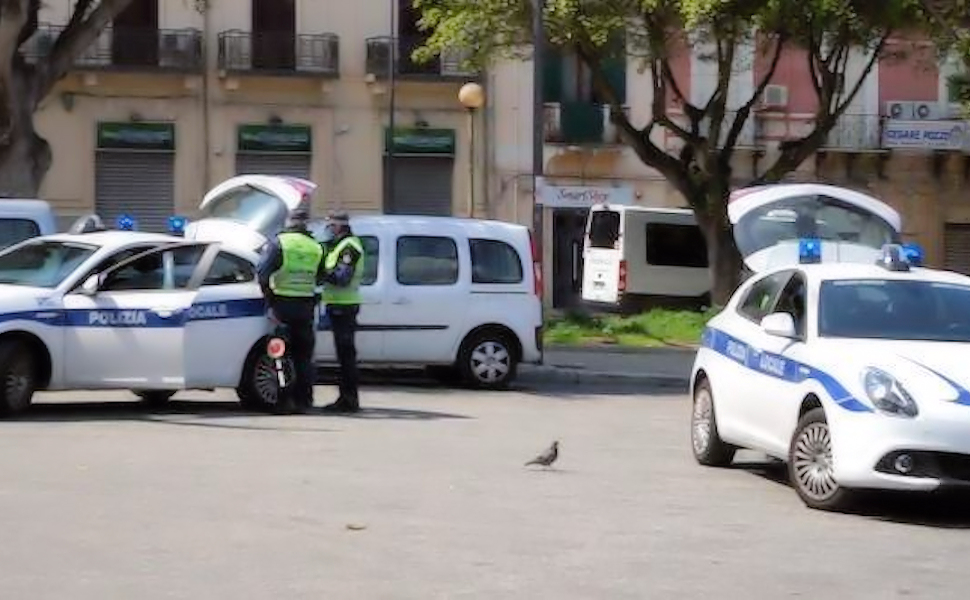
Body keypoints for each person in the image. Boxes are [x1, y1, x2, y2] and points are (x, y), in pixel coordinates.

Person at [256, 202, 327, 414]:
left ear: (289, 222)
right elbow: (321, 277)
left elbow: (262, 272)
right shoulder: (316, 247)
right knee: (304, 357)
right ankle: (304, 402)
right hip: (305, 307)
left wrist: (269, 297)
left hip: (282, 306)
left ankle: (284, 402)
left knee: (280, 355)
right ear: (306, 224)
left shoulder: (280, 243)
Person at [318, 212, 365, 414]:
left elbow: (343, 278)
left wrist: (322, 274)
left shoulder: (349, 248)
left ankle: (349, 400)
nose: (328, 228)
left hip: (344, 307)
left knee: (346, 356)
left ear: (340, 226)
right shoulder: (338, 246)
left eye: (331, 225)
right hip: (339, 306)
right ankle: (346, 397)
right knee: (344, 355)